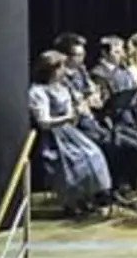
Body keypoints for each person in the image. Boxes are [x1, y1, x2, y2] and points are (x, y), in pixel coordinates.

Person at [28, 50, 113, 217]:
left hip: (70, 132)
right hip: (53, 137)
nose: (65, 71)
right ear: (51, 69)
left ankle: (91, 197)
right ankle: (73, 201)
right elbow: (44, 122)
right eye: (61, 68)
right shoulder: (38, 91)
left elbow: (71, 115)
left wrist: (79, 110)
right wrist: (68, 116)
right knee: (77, 160)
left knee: (95, 155)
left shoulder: (62, 87)